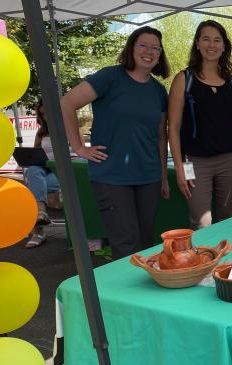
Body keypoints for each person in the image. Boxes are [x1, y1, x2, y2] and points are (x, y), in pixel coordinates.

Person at [61, 26, 170, 260]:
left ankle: (141, 292)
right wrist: (79, 147)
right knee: (126, 243)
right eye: (143, 45)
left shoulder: (159, 91)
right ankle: (125, 294)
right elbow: (67, 103)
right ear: (131, 48)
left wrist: (163, 176)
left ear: (160, 55)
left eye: (155, 48)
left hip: (148, 176)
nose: (149, 52)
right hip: (112, 176)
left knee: (145, 241)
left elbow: (161, 136)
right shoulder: (110, 77)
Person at [168, 20, 232, 230]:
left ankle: (227, 261)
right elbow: (172, 126)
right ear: (197, 44)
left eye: (217, 40)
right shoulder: (185, 79)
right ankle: (203, 262)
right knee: (201, 222)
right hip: (195, 162)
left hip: (229, 159)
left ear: (224, 46)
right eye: (206, 39)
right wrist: (180, 167)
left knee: (229, 218)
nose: (212, 45)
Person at [24, 100, 62, 248]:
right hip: (43, 169)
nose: (45, 117)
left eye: (47, 112)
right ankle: (41, 213)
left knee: (35, 188)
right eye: (42, 114)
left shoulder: (67, 127)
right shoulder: (40, 132)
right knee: (33, 171)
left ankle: (38, 233)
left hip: (62, 170)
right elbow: (35, 154)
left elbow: (78, 151)